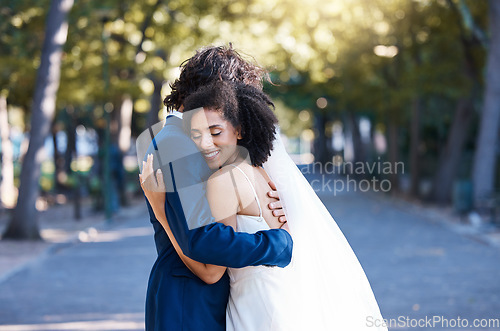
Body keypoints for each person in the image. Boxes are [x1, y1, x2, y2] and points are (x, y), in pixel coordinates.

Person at [143, 79, 388, 330]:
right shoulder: (262, 173)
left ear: (238, 130)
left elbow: (211, 272)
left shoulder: (223, 180)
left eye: (215, 132)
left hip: (255, 307)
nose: (206, 144)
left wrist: (161, 211)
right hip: (283, 297)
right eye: (196, 136)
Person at [137, 45, 293, 331]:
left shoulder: (190, 140)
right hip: (189, 304)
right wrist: (276, 243)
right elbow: (205, 248)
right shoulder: (178, 144)